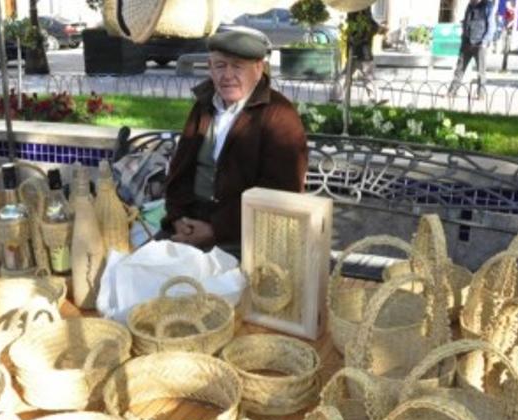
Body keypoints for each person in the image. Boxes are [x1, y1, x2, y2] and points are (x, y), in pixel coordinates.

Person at [159, 29, 308, 256]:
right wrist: (178, 217)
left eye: (237, 66)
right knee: (138, 271)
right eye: (220, 66)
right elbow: (180, 169)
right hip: (191, 223)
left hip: (243, 235)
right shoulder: (205, 105)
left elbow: (279, 194)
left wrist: (215, 230)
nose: (227, 75)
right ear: (210, 68)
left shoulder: (279, 115)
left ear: (258, 69)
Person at [447, 0, 496, 99]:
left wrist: (485, 41)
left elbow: (491, 26)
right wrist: (463, 36)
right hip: (466, 42)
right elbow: (466, 21)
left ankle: (481, 94)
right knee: (459, 69)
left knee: (481, 71)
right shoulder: (469, 5)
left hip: (480, 44)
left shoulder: (487, 6)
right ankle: (452, 92)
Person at [340, 8, 381, 103]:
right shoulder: (363, 14)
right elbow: (372, 28)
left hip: (354, 51)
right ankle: (375, 98)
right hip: (363, 52)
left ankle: (336, 96)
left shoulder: (352, 13)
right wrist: (377, 27)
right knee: (368, 76)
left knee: (346, 75)